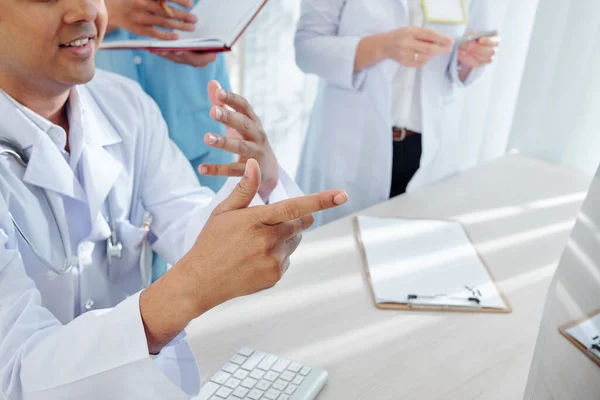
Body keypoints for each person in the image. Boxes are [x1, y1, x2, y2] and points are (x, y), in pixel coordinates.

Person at [0, 0, 347, 399]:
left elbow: (187, 223)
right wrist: (183, 292)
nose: (84, 11)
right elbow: (15, 376)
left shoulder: (124, 104)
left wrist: (261, 183)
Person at [295, 0, 498, 226]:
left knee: (411, 249)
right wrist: (383, 46)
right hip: (350, 145)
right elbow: (307, 49)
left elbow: (465, 58)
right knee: (335, 250)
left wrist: (471, 59)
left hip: (426, 149)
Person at [95, 0, 234, 280]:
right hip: (105, 112)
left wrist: (214, 30)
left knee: (216, 255)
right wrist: (105, 10)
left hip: (193, 106)